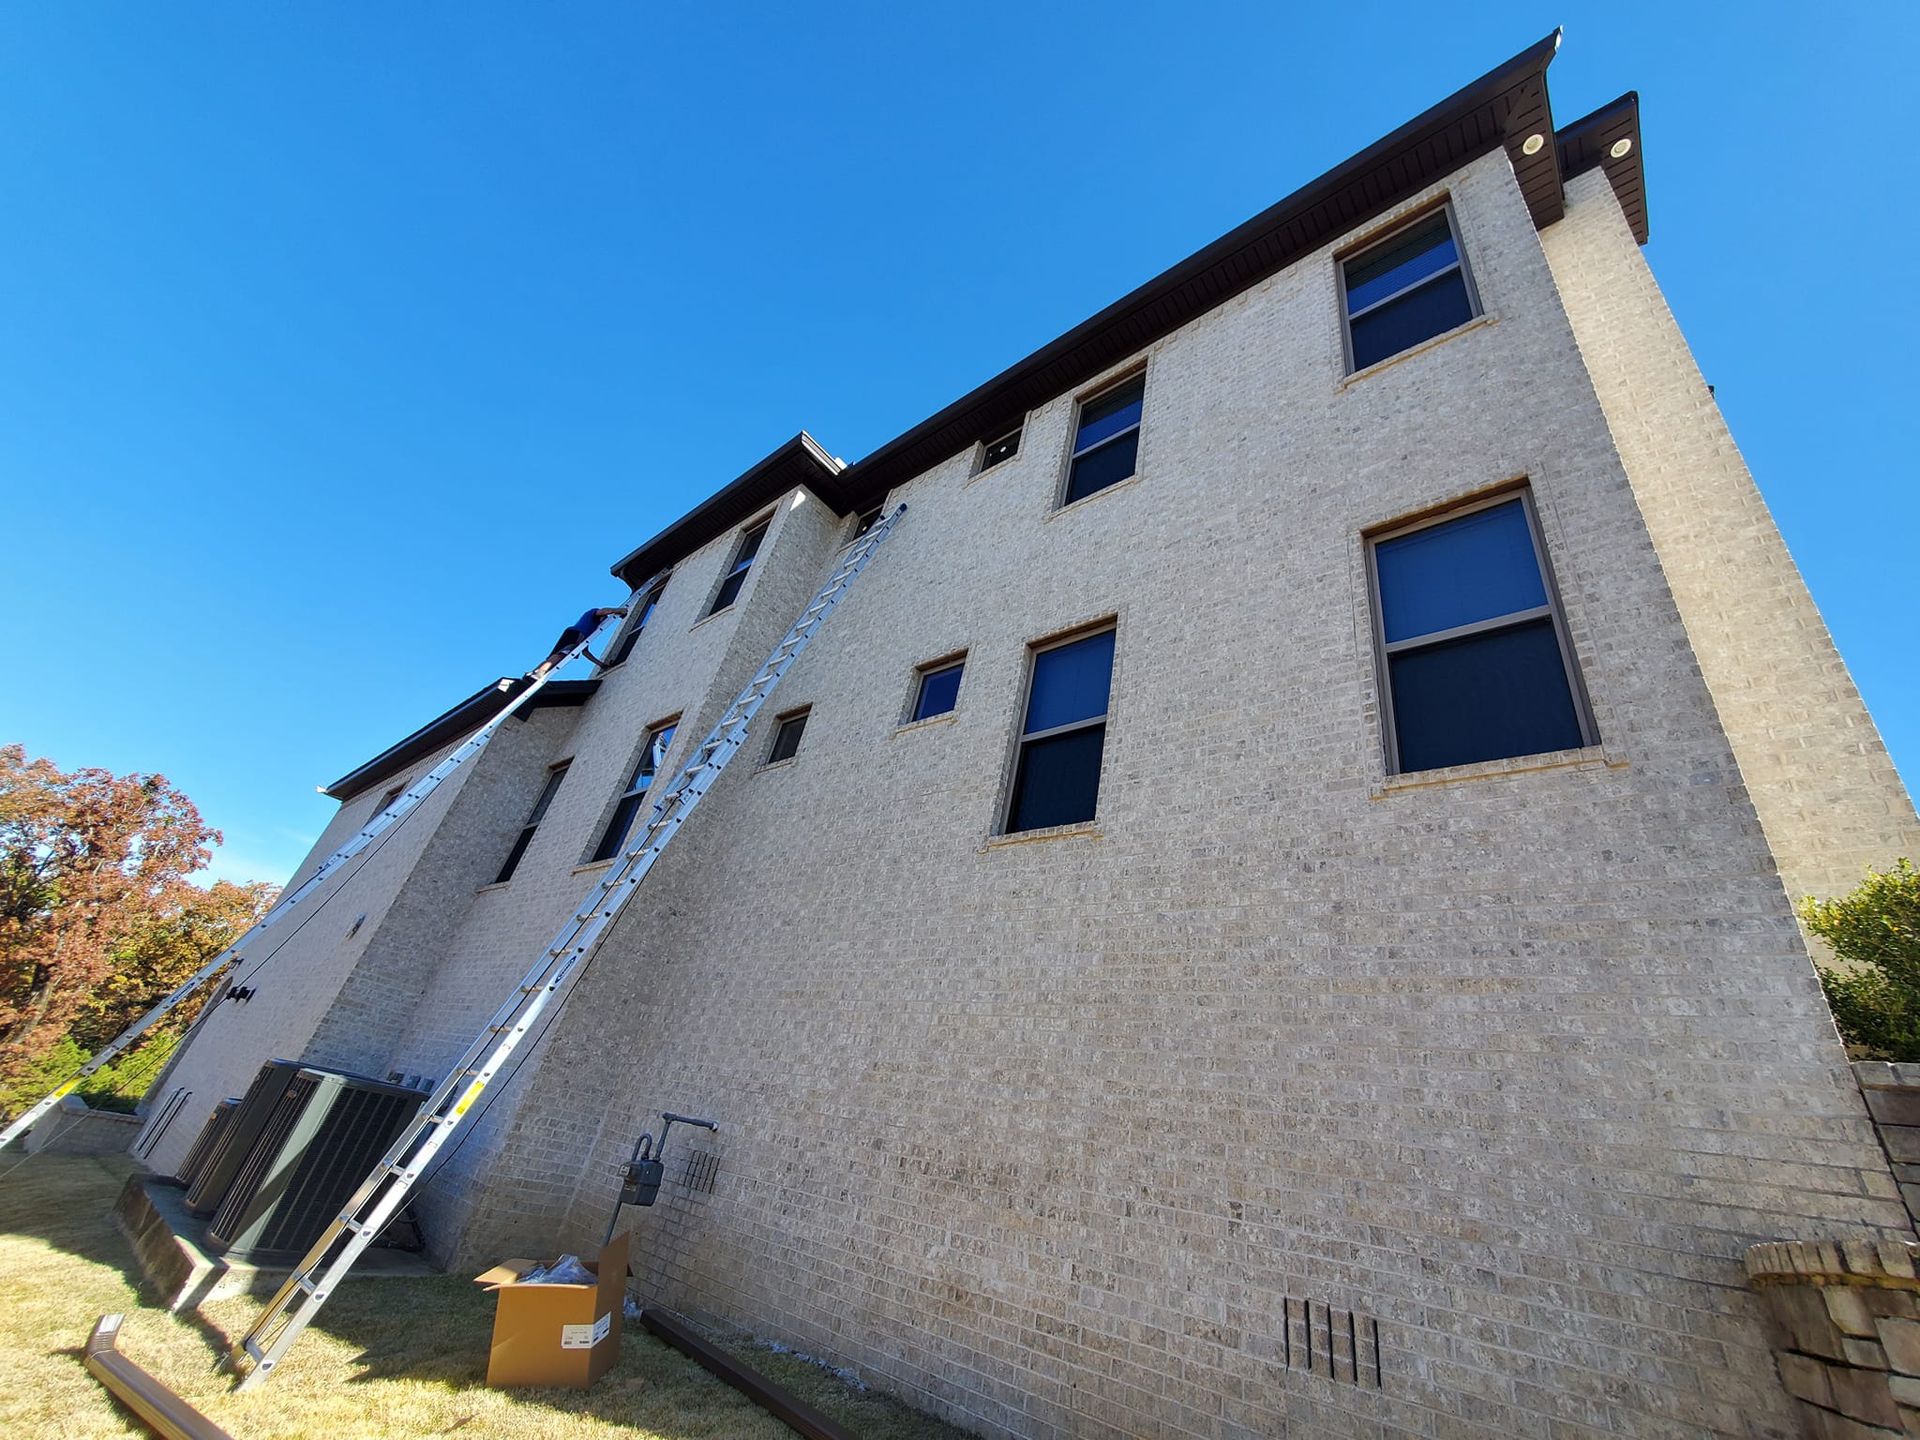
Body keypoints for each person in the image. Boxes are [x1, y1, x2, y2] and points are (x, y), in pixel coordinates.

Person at [528, 605, 627, 682]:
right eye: (604, 619)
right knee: (561, 655)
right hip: (575, 634)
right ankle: (539, 672)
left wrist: (601, 664)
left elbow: (585, 652)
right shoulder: (593, 614)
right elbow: (604, 610)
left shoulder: (588, 631)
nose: (603, 621)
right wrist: (619, 610)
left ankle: (535, 672)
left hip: (572, 634)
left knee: (555, 656)